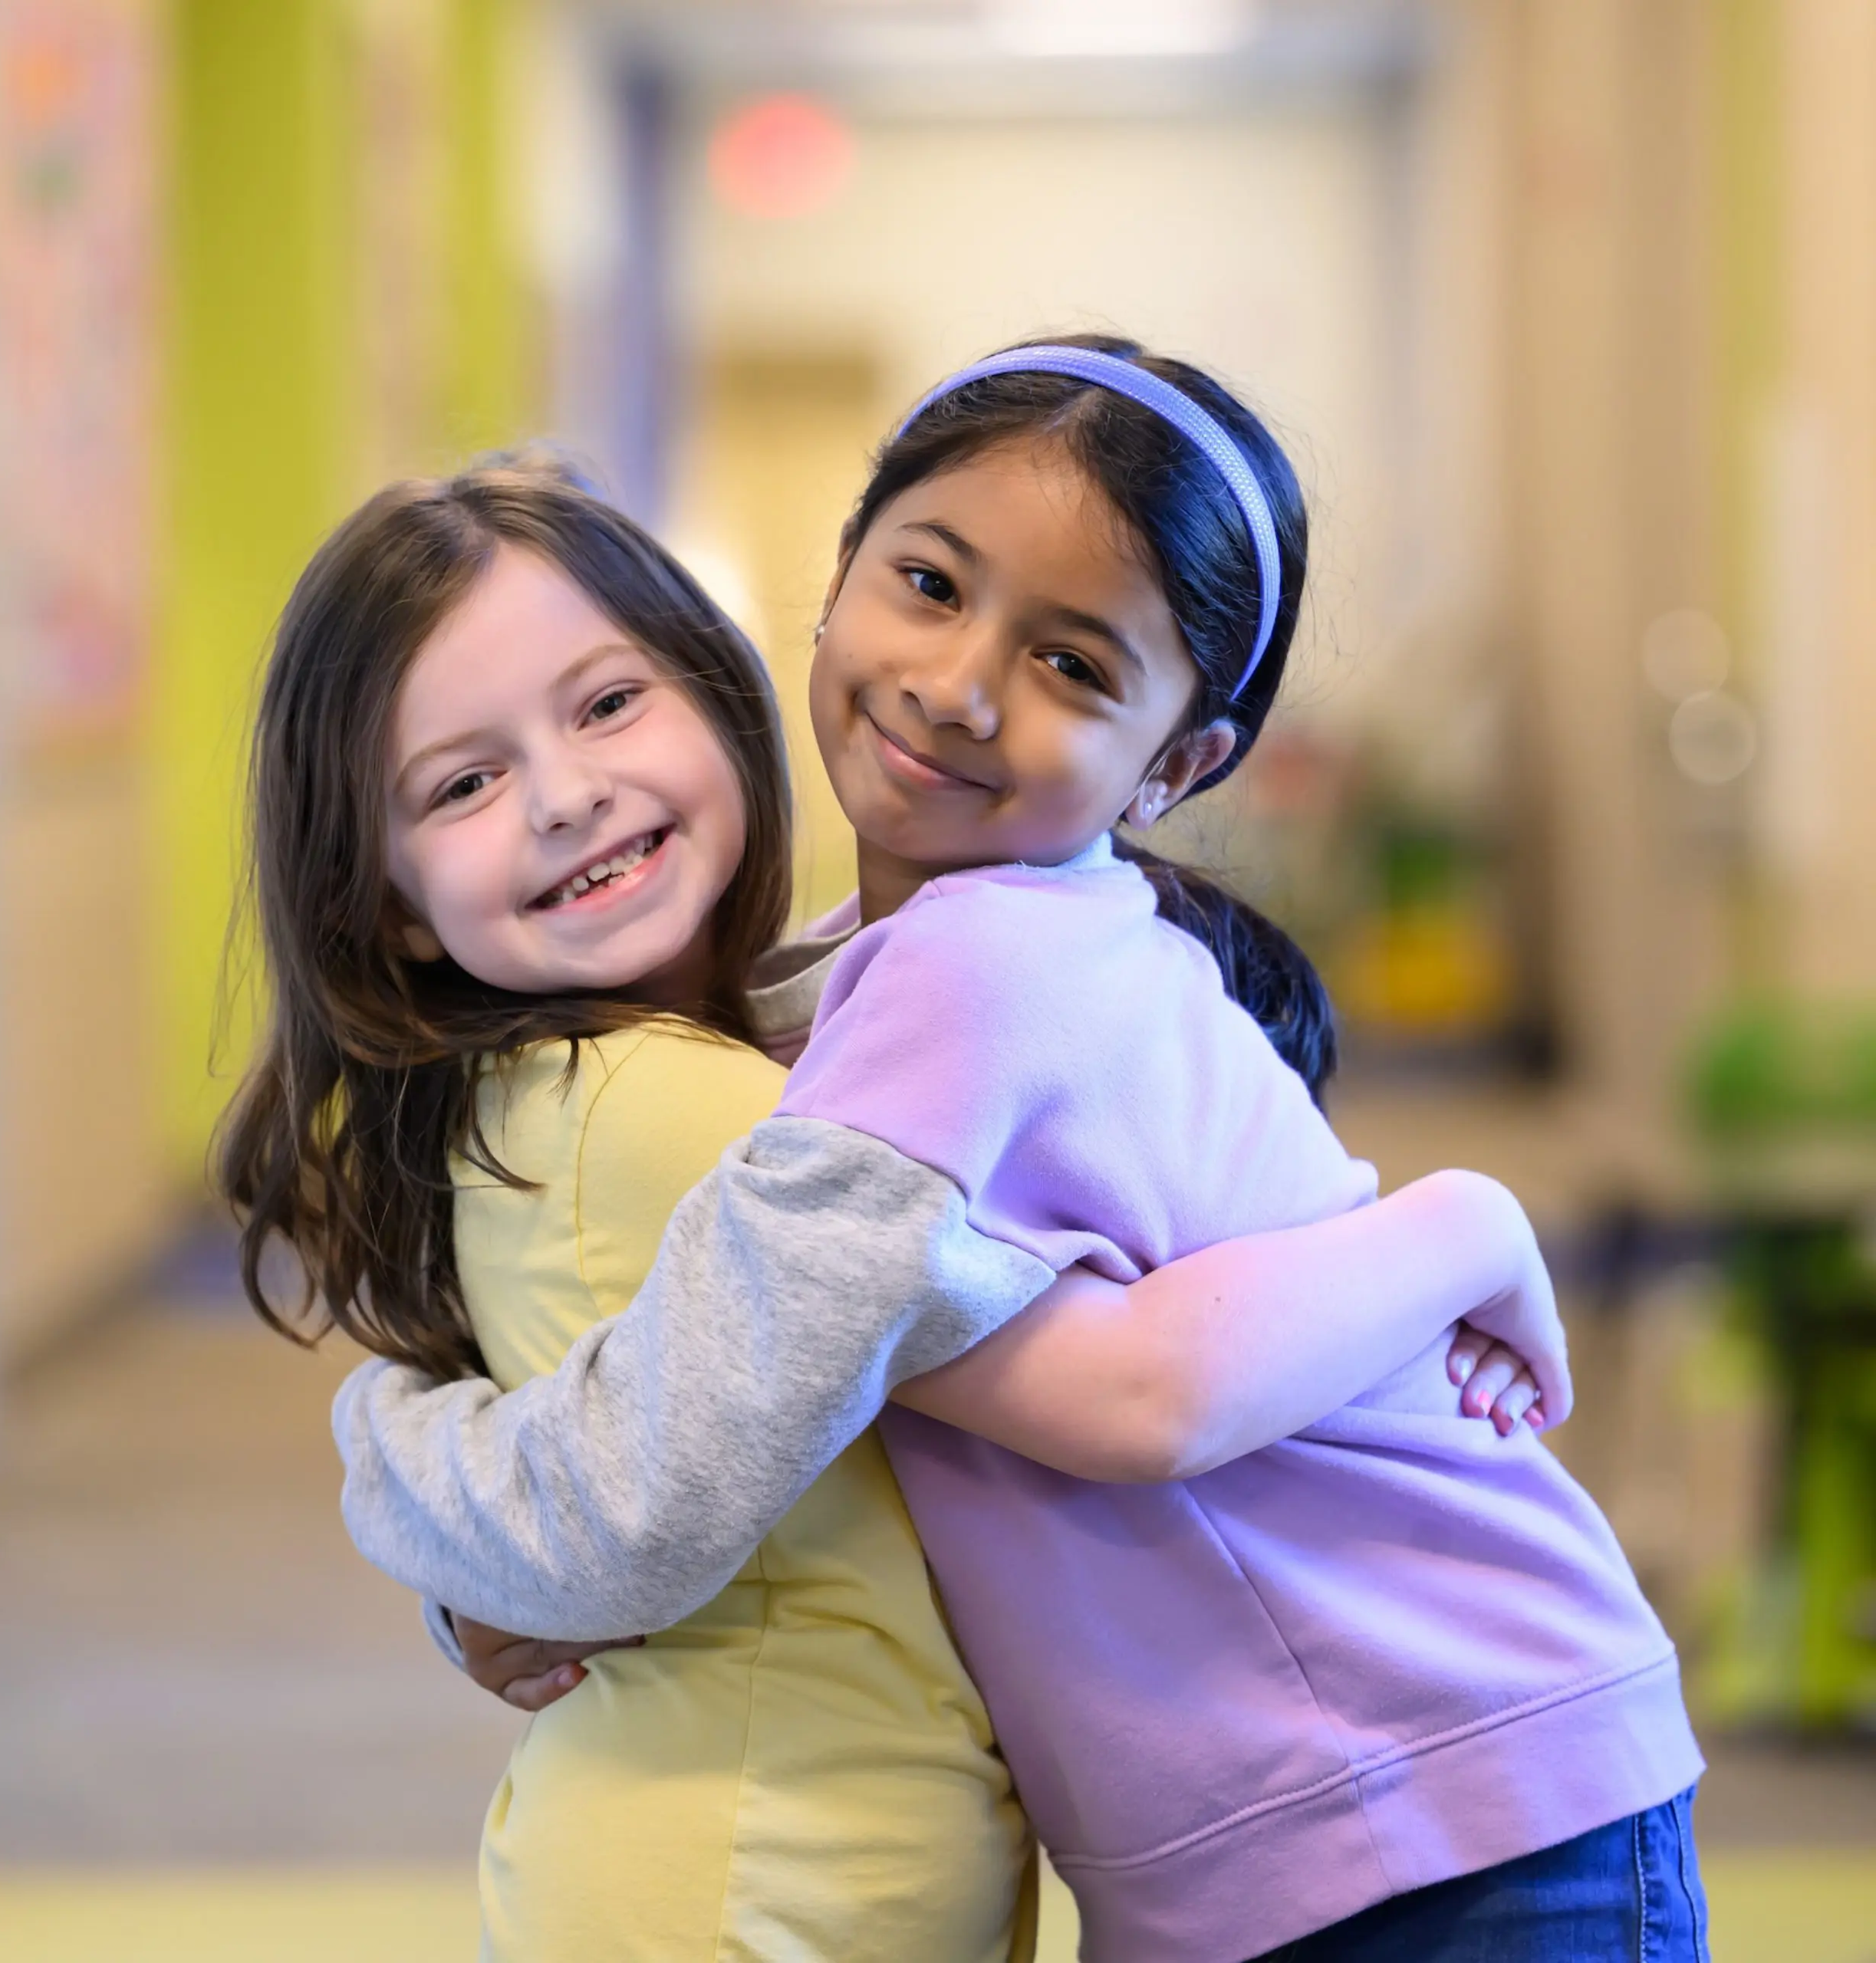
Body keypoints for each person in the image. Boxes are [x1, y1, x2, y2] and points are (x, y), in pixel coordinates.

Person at [328, 338, 1711, 1960]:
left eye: (1072, 664)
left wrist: (388, 1442)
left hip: (1428, 1789)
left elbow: (705, 1465)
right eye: (926, 582)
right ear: (834, 578)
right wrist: (484, 1586)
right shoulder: (843, 993)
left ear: (1179, 760)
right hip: (1318, 1808)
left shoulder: (965, 975)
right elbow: (738, 1404)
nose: (959, 682)